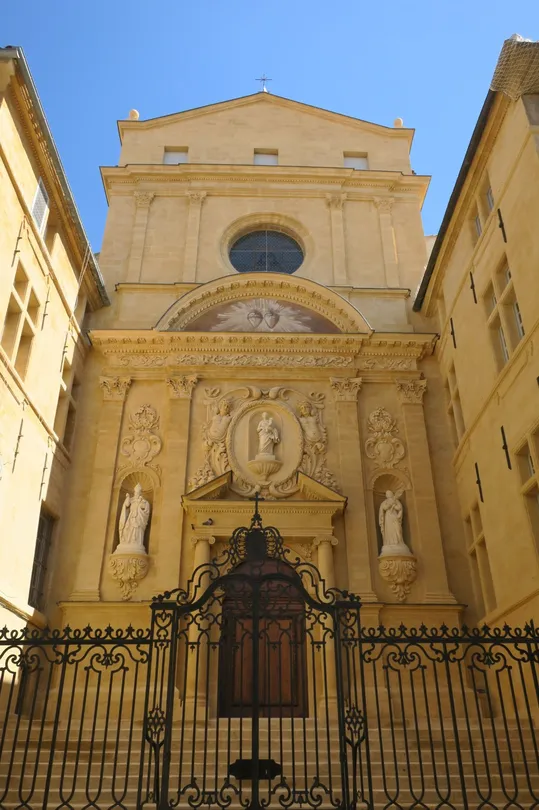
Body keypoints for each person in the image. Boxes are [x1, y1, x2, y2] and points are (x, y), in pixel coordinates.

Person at [118, 483, 150, 551]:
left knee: (137, 531)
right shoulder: (132, 499)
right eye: (136, 492)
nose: (137, 493)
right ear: (134, 492)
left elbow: (146, 509)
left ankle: (137, 543)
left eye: (139, 492)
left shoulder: (144, 501)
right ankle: (126, 542)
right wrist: (127, 497)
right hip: (131, 517)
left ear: (140, 493)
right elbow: (126, 505)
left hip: (138, 519)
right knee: (127, 530)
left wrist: (141, 503)